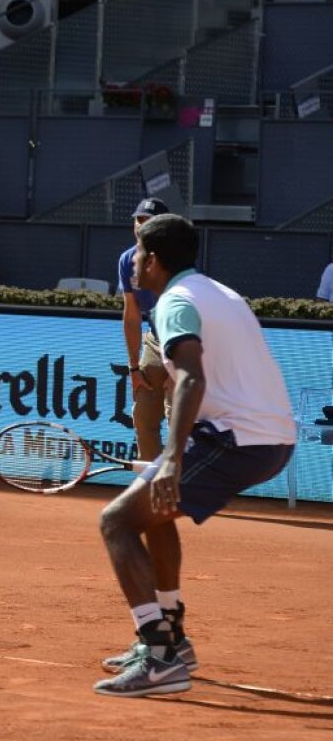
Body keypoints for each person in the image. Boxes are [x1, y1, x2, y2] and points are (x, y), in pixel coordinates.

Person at [94, 213, 294, 698]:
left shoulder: (176, 302)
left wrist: (172, 456)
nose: (134, 263)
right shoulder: (219, 293)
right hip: (263, 435)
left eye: (139, 255)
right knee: (155, 517)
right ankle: (174, 640)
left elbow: (191, 377)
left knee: (116, 522)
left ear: (155, 260)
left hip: (236, 438)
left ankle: (160, 657)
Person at [117, 197, 172, 462]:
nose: (141, 226)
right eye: (138, 220)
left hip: (184, 344)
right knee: (143, 416)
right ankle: (152, 486)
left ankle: (186, 489)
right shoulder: (127, 261)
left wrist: (182, 366)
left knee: (179, 420)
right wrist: (134, 368)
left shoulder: (178, 261)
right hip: (154, 341)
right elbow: (131, 315)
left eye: (148, 222)